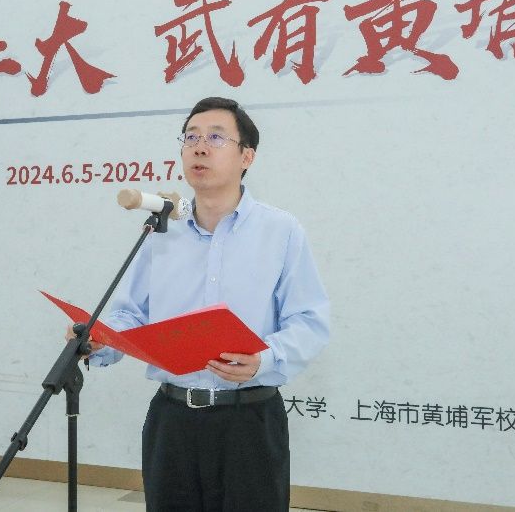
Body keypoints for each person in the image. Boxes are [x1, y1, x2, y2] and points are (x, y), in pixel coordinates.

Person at [67, 97, 330, 511]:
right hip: (172, 420)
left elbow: (309, 320)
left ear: (247, 156)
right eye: (190, 138)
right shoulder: (161, 232)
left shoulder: (280, 231)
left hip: (249, 420)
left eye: (215, 138)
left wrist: (264, 360)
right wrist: (100, 340)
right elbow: (130, 314)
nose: (200, 148)